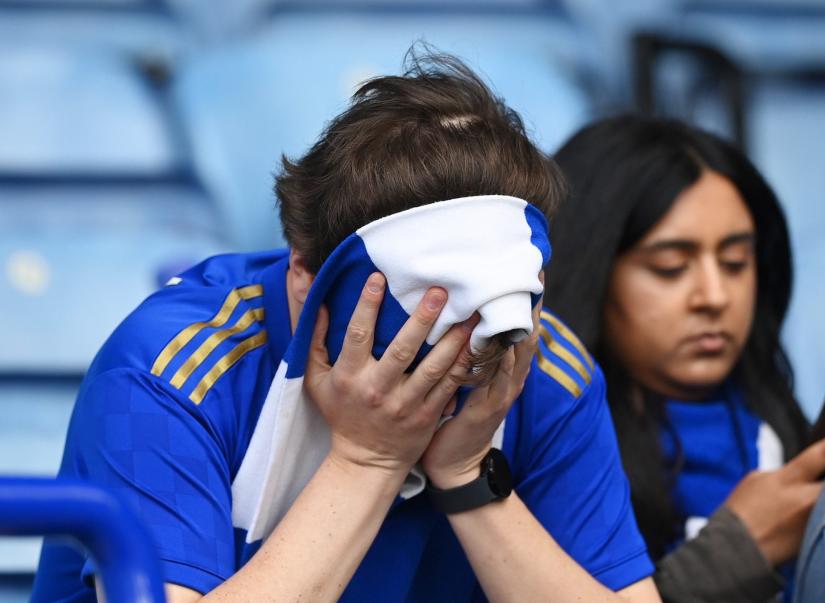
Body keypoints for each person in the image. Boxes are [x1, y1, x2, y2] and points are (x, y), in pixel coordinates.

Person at [31, 55, 662, 602]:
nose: (479, 340)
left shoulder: (540, 366)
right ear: (307, 275)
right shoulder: (165, 370)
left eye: (506, 294)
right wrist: (369, 458)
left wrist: (469, 476)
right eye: (435, 304)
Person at [545, 115, 825, 602]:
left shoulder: (776, 432)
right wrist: (729, 558)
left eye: (735, 263)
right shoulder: (543, 441)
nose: (715, 296)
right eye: (671, 267)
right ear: (592, 276)